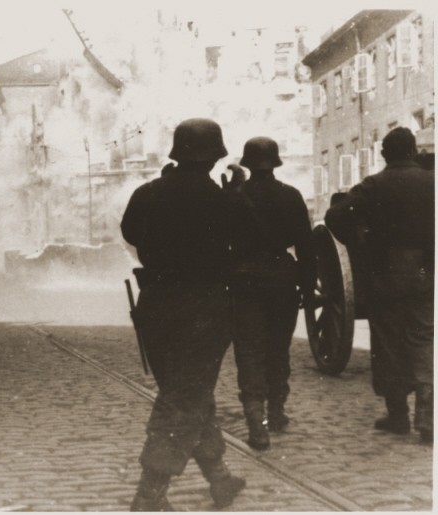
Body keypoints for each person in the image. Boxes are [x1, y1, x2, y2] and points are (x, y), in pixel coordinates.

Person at [121, 118, 251, 511]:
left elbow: (130, 232)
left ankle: (220, 479)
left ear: (177, 152)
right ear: (215, 156)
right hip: (205, 309)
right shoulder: (224, 200)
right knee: (184, 396)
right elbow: (245, 243)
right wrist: (236, 196)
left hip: (156, 305)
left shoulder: (147, 193)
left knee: (190, 393)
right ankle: (149, 495)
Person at [325, 127, 434, 444]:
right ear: (414, 151)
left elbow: (335, 216)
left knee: (387, 341)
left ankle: (397, 416)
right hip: (427, 271)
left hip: (385, 271)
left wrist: (359, 242)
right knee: (423, 337)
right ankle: (426, 415)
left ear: (385, 154)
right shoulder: (433, 182)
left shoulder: (374, 185)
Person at [230, 137, 316, 450]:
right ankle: (276, 412)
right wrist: (307, 286)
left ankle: (256, 421)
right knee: (278, 348)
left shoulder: (235, 197)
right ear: (275, 163)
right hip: (282, 280)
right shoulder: (291, 196)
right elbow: (306, 246)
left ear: (248, 163)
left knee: (249, 351)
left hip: (244, 281)